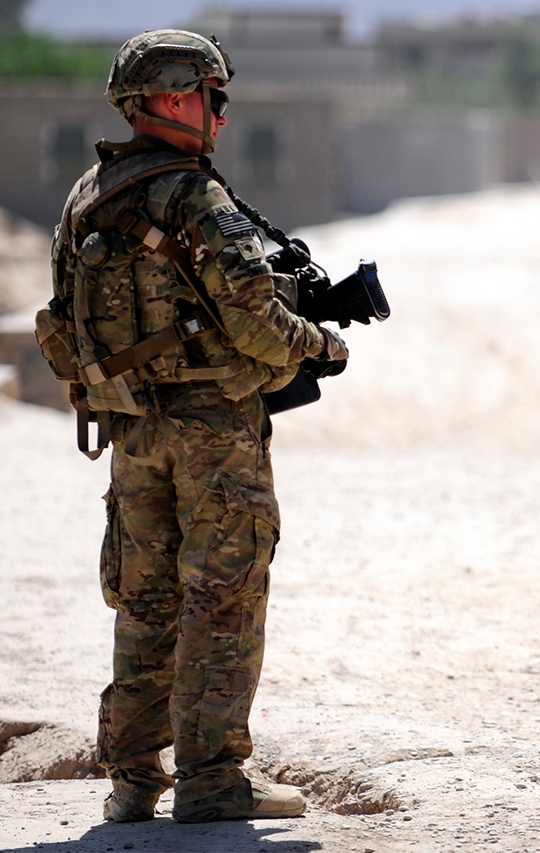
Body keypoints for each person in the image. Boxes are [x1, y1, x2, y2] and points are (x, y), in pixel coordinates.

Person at [38, 30, 348, 823]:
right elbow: (256, 326)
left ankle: (133, 782)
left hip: (135, 432)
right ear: (175, 99)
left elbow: (66, 323)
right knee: (223, 596)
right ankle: (212, 780)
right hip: (215, 436)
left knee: (144, 602)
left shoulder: (89, 196)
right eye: (214, 99)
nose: (221, 117)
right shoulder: (194, 196)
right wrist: (322, 343)